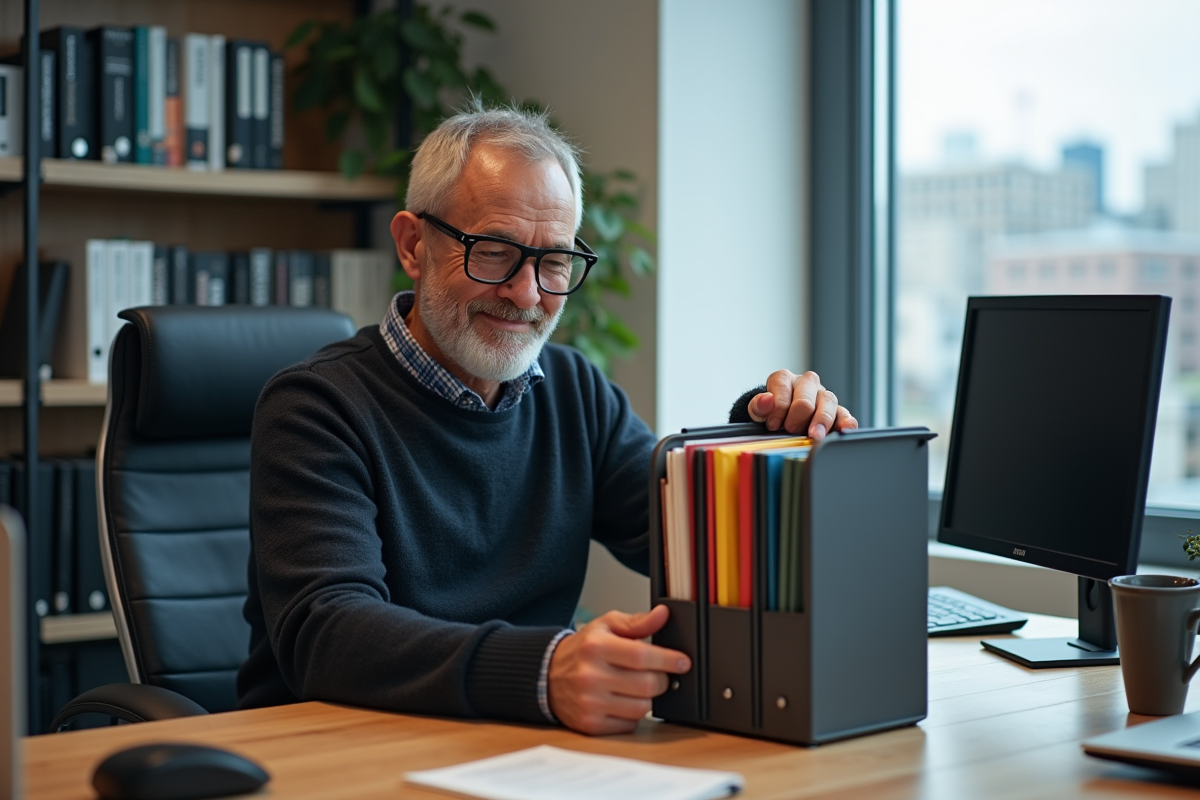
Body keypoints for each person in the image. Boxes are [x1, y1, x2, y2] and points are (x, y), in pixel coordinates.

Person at [237, 103, 857, 735]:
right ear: (413, 245)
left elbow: (688, 537)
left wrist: (772, 438)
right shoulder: (315, 406)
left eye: (554, 261)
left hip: (517, 748)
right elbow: (327, 632)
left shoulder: (573, 391)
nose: (528, 293)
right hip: (329, 751)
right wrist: (543, 669)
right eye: (497, 251)